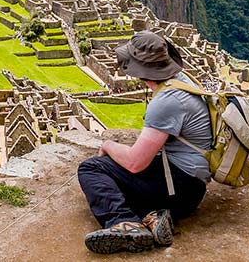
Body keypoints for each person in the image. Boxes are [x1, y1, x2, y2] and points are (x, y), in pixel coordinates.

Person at [77, 30, 212, 255]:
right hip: (191, 190)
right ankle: (156, 215)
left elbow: (135, 163)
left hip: (177, 187)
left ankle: (125, 222)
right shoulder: (182, 82)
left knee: (91, 169)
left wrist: (108, 145)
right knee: (117, 178)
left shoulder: (166, 102)